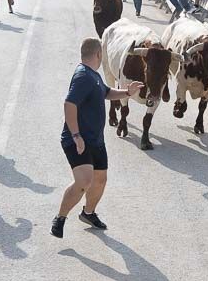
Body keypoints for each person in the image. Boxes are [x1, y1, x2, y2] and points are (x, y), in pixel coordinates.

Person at [51, 37, 143, 238]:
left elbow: (107, 93)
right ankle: (60, 218)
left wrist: (127, 92)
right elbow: (69, 104)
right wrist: (76, 135)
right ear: (99, 54)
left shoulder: (94, 76)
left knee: (100, 180)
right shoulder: (83, 76)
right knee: (84, 181)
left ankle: (88, 213)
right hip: (78, 140)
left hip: (95, 140)